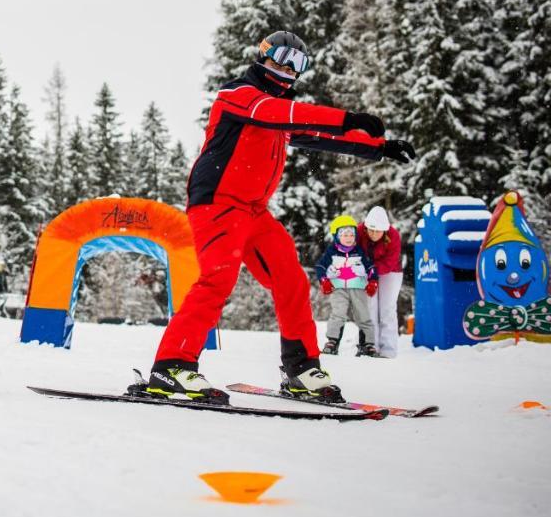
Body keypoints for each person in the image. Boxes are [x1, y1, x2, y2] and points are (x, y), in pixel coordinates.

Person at [143, 31, 415, 404]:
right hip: (217, 204)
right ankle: (171, 366)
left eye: (298, 63)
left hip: (254, 212)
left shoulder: (278, 112)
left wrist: (379, 148)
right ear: (263, 57)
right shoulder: (239, 96)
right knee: (218, 279)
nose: (288, 69)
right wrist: (348, 117)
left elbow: (318, 135)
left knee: (291, 279)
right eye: (282, 58)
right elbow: (279, 114)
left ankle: (301, 369)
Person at [317, 215, 379, 357]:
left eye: (352, 234)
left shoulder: (359, 251)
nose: (349, 238)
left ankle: (367, 344)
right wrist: (324, 280)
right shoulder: (331, 252)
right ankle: (332, 342)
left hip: (358, 287)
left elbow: (370, 267)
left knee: (363, 314)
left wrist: (373, 280)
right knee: (338, 314)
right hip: (338, 288)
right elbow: (320, 266)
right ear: (337, 236)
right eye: (345, 234)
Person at [358, 206, 403, 358]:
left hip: (390, 272)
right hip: (366, 271)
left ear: (384, 230)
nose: (373, 234)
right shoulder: (359, 232)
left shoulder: (394, 236)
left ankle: (388, 351)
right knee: (370, 308)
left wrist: (371, 271)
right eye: (371, 230)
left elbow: (390, 261)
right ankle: (371, 347)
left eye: (377, 231)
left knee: (387, 309)